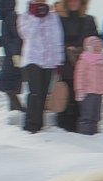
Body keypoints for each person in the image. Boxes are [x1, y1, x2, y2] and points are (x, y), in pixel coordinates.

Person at [18, 0, 64, 133]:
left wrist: (59, 60)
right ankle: (30, 125)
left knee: (43, 93)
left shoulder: (53, 16)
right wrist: (36, 17)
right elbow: (26, 34)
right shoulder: (25, 16)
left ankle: (39, 123)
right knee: (35, 92)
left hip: (49, 61)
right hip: (33, 59)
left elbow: (57, 38)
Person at [56, 0, 98, 132]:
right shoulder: (58, 19)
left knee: (83, 99)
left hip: (86, 66)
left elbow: (96, 40)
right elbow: (55, 40)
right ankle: (65, 129)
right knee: (66, 98)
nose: (74, 3)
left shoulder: (89, 20)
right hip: (65, 64)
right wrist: (67, 49)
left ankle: (83, 129)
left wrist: (81, 50)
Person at [0, 0, 24, 111]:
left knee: (3, 83)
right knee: (10, 85)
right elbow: (5, 38)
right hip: (10, 56)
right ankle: (15, 110)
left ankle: (18, 109)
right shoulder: (6, 19)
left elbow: (16, 37)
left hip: (13, 57)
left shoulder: (12, 17)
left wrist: (16, 54)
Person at [74, 35, 103, 134]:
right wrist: (79, 90)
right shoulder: (84, 60)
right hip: (87, 92)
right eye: (95, 46)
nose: (98, 48)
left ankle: (94, 133)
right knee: (87, 115)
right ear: (89, 47)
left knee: (96, 115)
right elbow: (79, 76)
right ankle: (85, 134)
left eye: (99, 46)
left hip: (99, 92)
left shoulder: (101, 60)